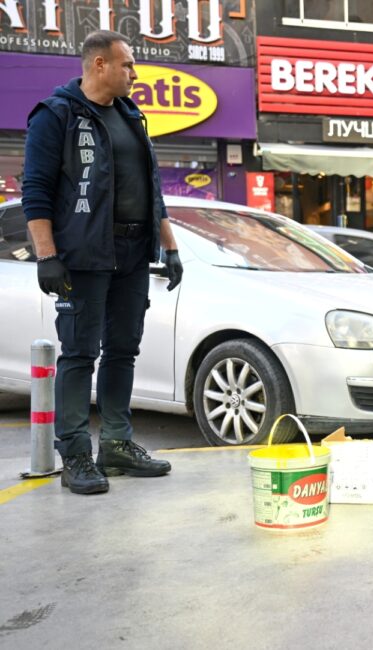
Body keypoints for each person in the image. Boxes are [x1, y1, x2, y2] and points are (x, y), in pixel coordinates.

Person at [22, 30, 183, 495]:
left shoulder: (132, 116)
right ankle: (74, 453)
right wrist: (47, 256)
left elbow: (151, 190)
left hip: (133, 253)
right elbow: (36, 192)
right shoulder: (56, 116)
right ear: (99, 65)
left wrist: (168, 246)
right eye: (128, 64)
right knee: (78, 354)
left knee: (122, 350)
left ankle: (115, 443)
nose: (134, 73)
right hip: (84, 255)